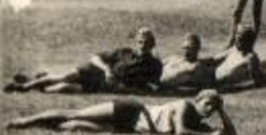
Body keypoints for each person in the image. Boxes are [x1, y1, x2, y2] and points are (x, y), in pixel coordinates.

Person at [7, 90, 236, 135]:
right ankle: (25, 121)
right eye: (209, 102)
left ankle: (40, 127)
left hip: (133, 128)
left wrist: (222, 109)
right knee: (75, 114)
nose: (210, 108)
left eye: (214, 107)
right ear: (198, 99)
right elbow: (181, 132)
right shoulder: (185, 106)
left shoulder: (199, 122)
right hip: (132, 109)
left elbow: (231, 134)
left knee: (75, 126)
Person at [7, 28, 163, 94]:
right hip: (95, 71)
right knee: (64, 77)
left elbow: (151, 88)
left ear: (153, 44)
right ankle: (24, 87)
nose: (143, 45)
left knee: (63, 88)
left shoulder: (154, 64)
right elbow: (95, 57)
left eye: (147, 42)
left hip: (104, 86)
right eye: (140, 41)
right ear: (135, 42)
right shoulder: (124, 51)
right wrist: (107, 70)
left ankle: (39, 82)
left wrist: (123, 87)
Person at [212, 26, 262, 91]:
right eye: (236, 39)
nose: (236, 42)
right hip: (213, 77)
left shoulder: (251, 58)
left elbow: (255, 81)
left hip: (223, 84)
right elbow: (214, 59)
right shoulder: (235, 50)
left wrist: (236, 88)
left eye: (240, 40)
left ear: (248, 42)